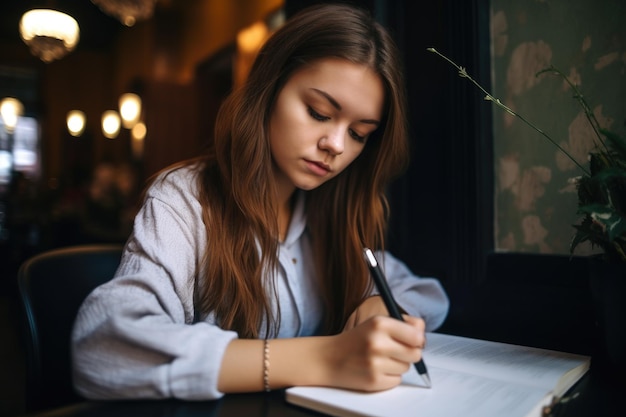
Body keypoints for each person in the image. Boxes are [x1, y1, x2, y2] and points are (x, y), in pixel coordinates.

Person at [71, 3, 449, 400]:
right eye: (319, 113)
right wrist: (326, 359)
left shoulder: (334, 213)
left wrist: (376, 304)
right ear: (269, 90)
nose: (335, 145)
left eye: (358, 133)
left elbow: (426, 294)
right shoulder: (185, 200)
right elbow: (102, 348)